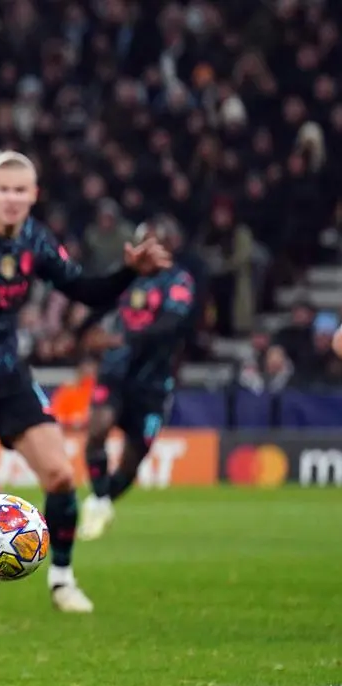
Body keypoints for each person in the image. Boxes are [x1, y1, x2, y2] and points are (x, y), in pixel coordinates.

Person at [0, 151, 170, 614]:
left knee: (61, 475)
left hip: (8, 376)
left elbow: (84, 290)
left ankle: (62, 580)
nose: (11, 199)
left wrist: (128, 273)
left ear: (33, 196)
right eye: (3, 189)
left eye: (20, 190)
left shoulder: (34, 241)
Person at [77, 215, 197, 540]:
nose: (149, 248)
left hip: (153, 382)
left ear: (171, 246)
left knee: (132, 460)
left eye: (157, 241)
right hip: (115, 372)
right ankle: (99, 499)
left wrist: (124, 338)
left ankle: (102, 499)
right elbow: (98, 305)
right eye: (144, 241)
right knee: (97, 429)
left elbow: (173, 324)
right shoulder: (127, 278)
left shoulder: (179, 281)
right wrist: (78, 332)